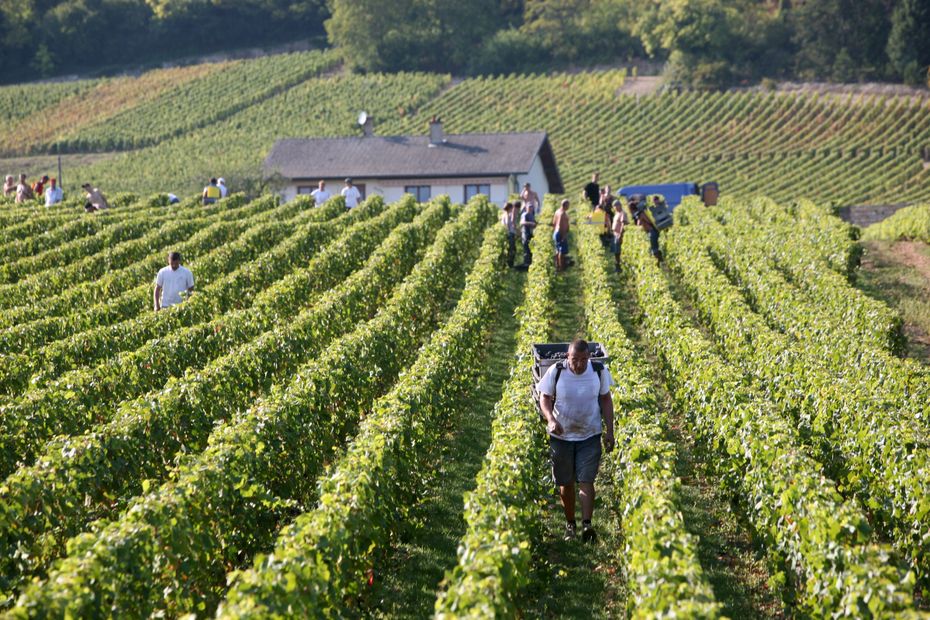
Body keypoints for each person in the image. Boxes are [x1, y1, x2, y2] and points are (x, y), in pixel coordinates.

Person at [537, 338, 615, 542]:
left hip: (590, 434)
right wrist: (551, 419)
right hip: (561, 436)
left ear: (588, 357)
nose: (578, 364)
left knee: (586, 480)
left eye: (582, 359)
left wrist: (610, 431)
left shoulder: (598, 371)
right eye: (574, 359)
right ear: (567, 356)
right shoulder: (556, 370)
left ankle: (587, 525)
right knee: (566, 482)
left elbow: (606, 399)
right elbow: (544, 397)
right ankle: (570, 524)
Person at [632, 197, 662, 264]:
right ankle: (659, 261)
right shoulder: (647, 212)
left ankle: (658, 262)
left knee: (654, 250)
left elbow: (640, 224)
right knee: (654, 248)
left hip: (652, 232)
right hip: (653, 231)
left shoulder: (642, 214)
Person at [551, 198, 570, 272]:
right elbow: (561, 225)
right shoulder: (563, 214)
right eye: (568, 205)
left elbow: (554, 223)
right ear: (565, 205)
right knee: (561, 252)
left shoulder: (557, 212)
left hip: (556, 232)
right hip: (560, 233)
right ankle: (561, 268)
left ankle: (557, 266)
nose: (569, 207)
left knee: (557, 250)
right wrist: (563, 235)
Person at [518, 200, 536, 266]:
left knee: (530, 247)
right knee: (526, 247)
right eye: (529, 207)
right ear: (526, 208)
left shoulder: (531, 214)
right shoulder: (524, 214)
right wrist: (531, 223)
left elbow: (534, 222)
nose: (531, 208)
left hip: (530, 233)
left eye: (532, 207)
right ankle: (526, 263)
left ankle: (530, 262)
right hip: (525, 233)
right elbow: (522, 222)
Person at [611, 200, 626, 270]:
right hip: (615, 234)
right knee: (615, 251)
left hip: (618, 234)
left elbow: (623, 224)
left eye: (616, 206)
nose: (615, 207)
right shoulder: (616, 213)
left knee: (618, 251)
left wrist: (620, 234)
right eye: (614, 206)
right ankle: (617, 265)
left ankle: (619, 267)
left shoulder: (622, 213)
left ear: (620, 205)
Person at [500, 202, 517, 267]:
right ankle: (510, 265)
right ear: (510, 208)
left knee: (509, 249)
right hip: (509, 234)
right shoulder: (507, 214)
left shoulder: (503, 214)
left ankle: (506, 264)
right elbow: (507, 224)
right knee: (512, 249)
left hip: (506, 233)